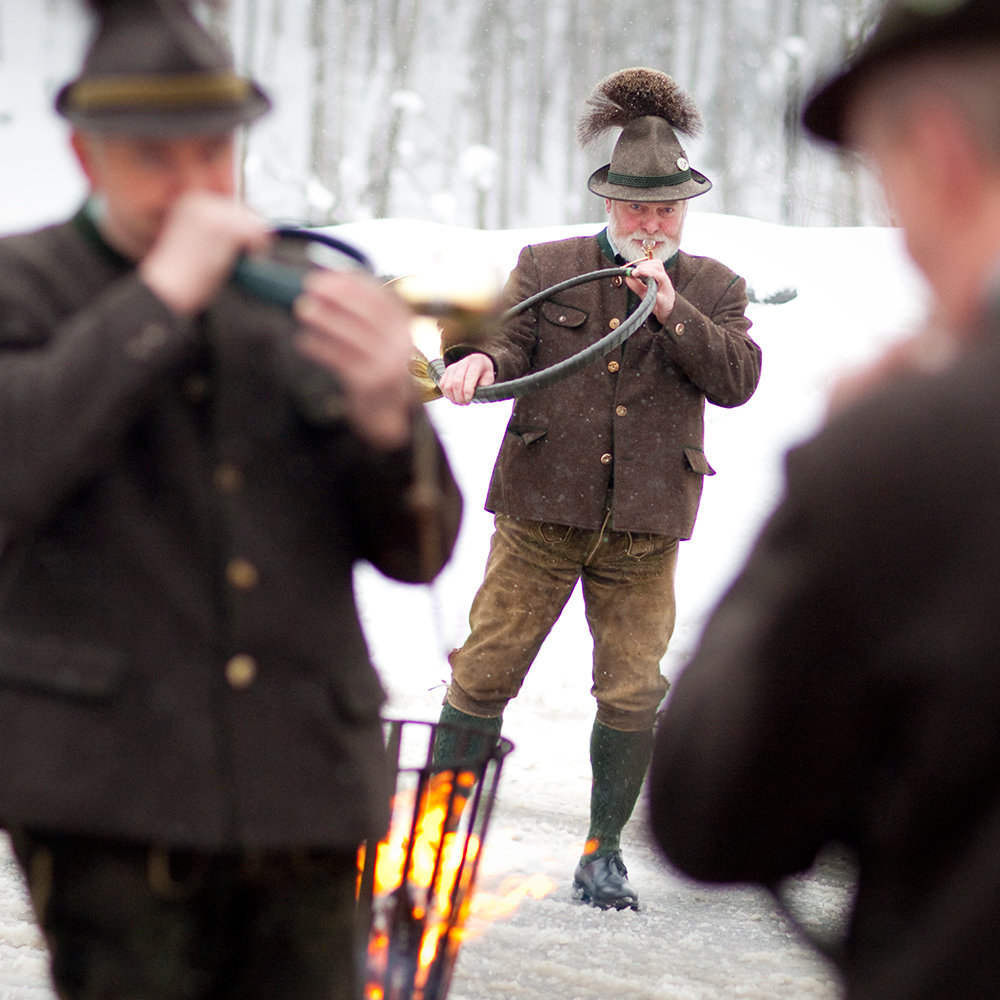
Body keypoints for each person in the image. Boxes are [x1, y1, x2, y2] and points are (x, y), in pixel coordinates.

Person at [0, 2, 462, 998]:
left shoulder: (297, 290)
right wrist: (158, 296)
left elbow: (416, 548)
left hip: (306, 791)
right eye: (154, 160)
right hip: (110, 802)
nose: (193, 186)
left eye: (212, 154)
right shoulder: (22, 284)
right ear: (88, 158)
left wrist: (389, 419)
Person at [649, 1, 1000, 997]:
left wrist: (834, 469)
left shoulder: (912, 449)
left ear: (937, 154)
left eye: (883, 181)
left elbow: (714, 813)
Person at [435, 67, 761, 910]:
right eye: (637, 207)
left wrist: (670, 310)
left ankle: (602, 848)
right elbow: (497, 336)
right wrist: (474, 357)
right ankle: (440, 834)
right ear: (609, 203)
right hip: (541, 512)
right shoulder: (550, 265)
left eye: (667, 209)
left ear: (685, 209)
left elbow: (736, 379)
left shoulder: (716, 286)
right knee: (484, 673)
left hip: (646, 527)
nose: (652, 223)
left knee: (632, 689)